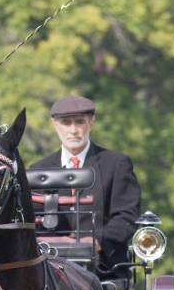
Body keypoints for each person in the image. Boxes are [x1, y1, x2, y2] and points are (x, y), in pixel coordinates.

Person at [30, 95, 140, 279]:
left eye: (80, 122)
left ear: (91, 122)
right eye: (66, 123)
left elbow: (127, 216)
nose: (73, 130)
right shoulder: (38, 170)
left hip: (104, 270)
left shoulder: (116, 164)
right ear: (55, 125)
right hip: (51, 272)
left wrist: (97, 241)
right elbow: (32, 221)